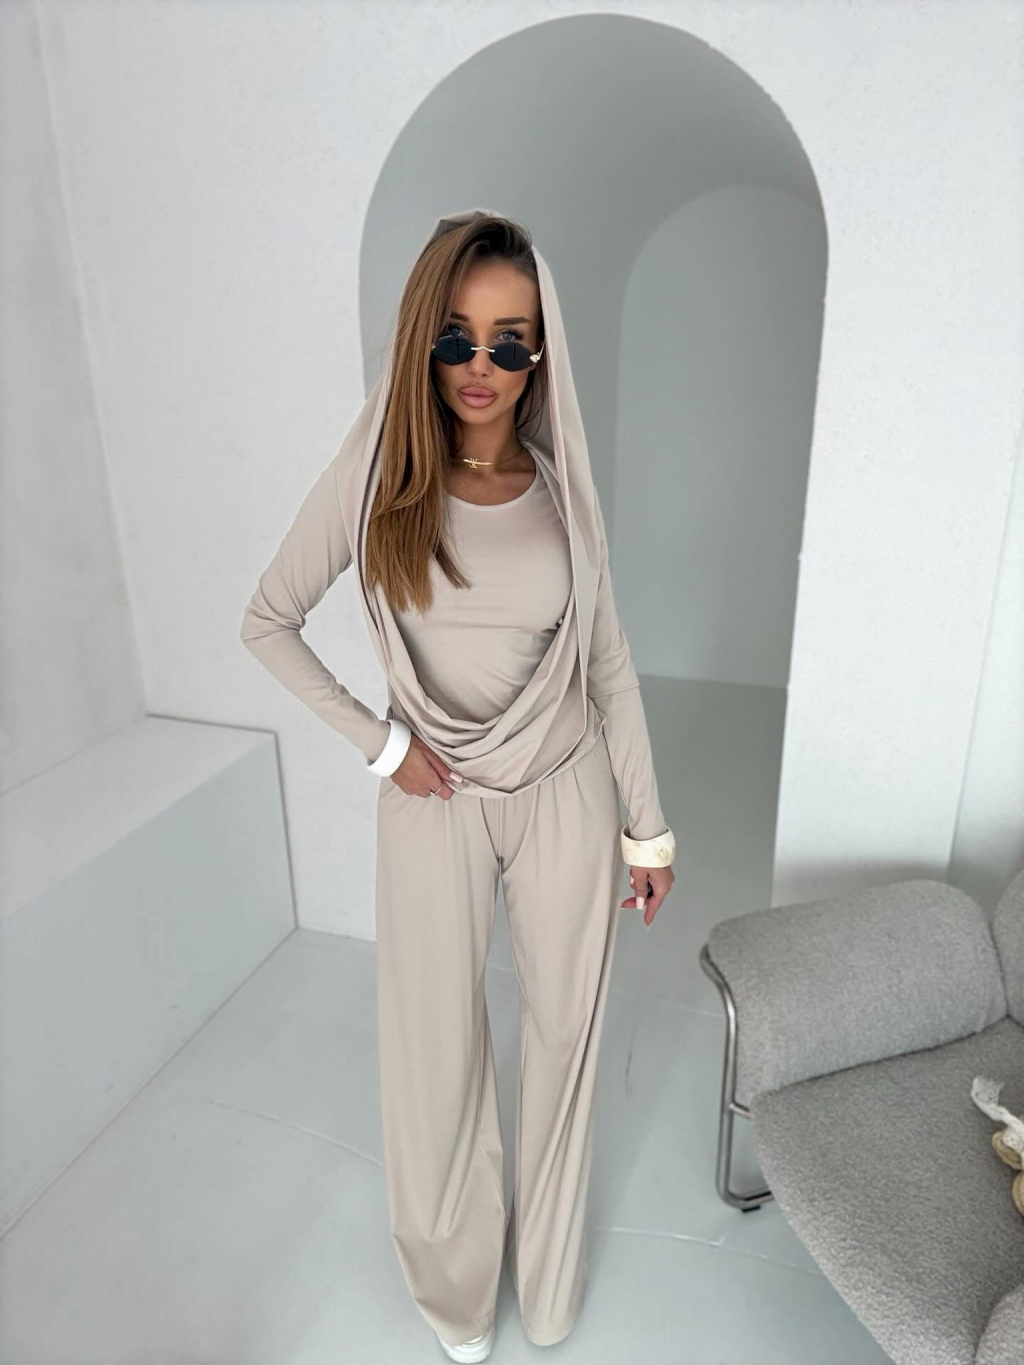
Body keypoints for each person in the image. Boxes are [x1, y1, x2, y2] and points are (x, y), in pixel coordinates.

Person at [240, 208, 676, 1361]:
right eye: (455, 337)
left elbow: (608, 664)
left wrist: (647, 830)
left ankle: (550, 1280)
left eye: (509, 341)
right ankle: (455, 1292)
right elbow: (267, 620)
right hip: (431, 799)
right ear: (421, 341)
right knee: (436, 1050)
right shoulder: (376, 474)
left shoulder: (563, 487)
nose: (480, 365)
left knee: (564, 1039)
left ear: (540, 354)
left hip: (566, 788)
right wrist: (383, 748)